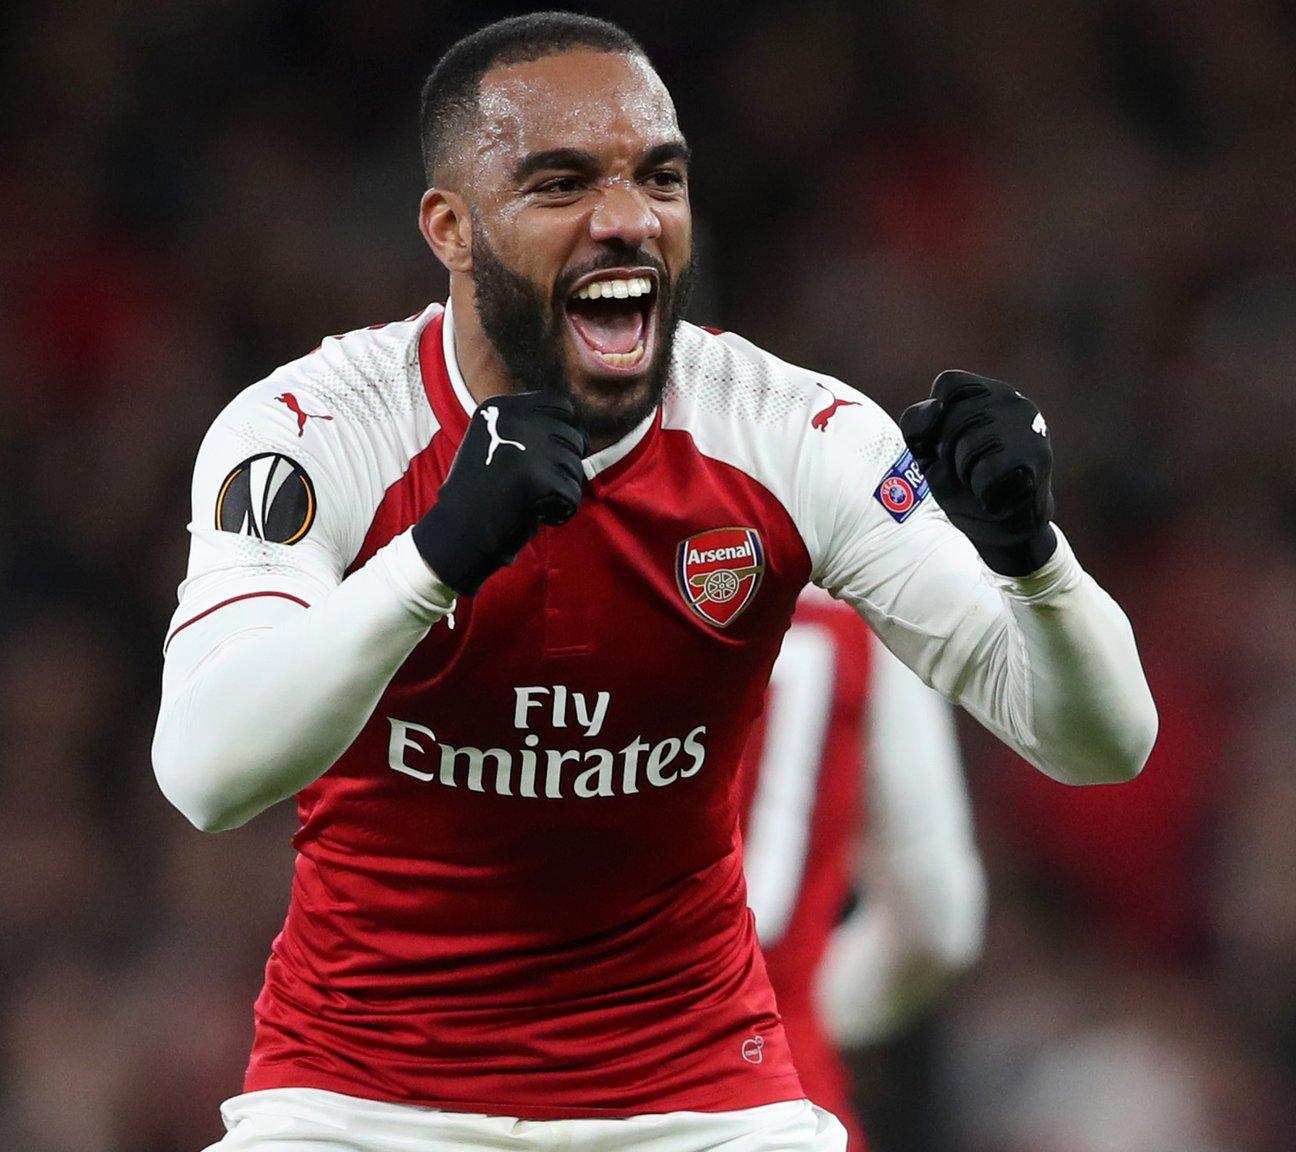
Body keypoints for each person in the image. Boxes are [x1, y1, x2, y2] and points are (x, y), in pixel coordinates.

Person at [150, 12, 1155, 1151]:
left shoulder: (790, 435)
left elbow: (1099, 745)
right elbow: (205, 772)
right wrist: (433, 558)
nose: (625, 220)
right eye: (561, 183)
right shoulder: (317, 427)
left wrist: (1033, 559)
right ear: (451, 227)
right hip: (353, 1100)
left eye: (657, 178)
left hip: (698, 1100)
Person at [743, 590, 987, 1143]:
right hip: (781, 1099)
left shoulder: (550, 565)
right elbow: (941, 922)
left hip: (545, 1090)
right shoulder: (863, 580)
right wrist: (793, 1004)